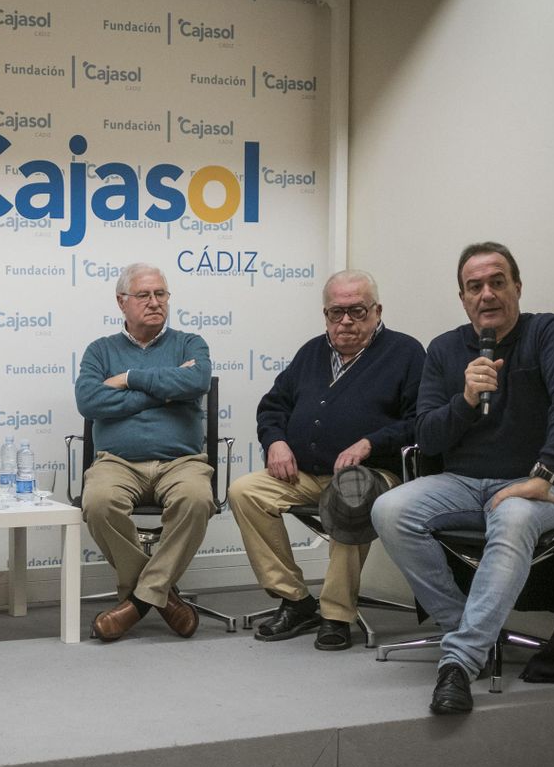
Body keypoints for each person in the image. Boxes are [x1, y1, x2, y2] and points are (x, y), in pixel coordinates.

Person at [372, 242, 554, 714]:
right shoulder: (445, 349)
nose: (487, 294)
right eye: (475, 286)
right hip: (464, 483)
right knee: (389, 509)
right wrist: (467, 400)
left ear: (518, 286)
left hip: (538, 481)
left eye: (498, 281)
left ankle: (457, 663)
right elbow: (428, 436)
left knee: (514, 517)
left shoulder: (548, 333)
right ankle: (469, 629)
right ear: (462, 297)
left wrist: (544, 474)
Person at [227, 271, 424, 651]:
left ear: (377, 310)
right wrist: (276, 442)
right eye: (337, 313)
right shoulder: (311, 352)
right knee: (244, 491)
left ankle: (336, 613)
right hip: (306, 472)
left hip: (373, 473)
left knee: (351, 496)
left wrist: (368, 443)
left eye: (357, 310)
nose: (346, 321)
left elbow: (419, 422)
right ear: (326, 315)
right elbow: (273, 406)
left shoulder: (406, 353)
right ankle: (297, 600)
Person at [73, 263, 214, 641]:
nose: (155, 302)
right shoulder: (100, 351)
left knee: (198, 499)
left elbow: (197, 379)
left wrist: (129, 379)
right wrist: (165, 391)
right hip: (117, 462)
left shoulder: (190, 343)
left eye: (161, 294)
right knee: (99, 502)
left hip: (181, 461)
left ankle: (135, 603)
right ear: (122, 302)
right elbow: (89, 400)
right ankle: (161, 596)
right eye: (144, 295)